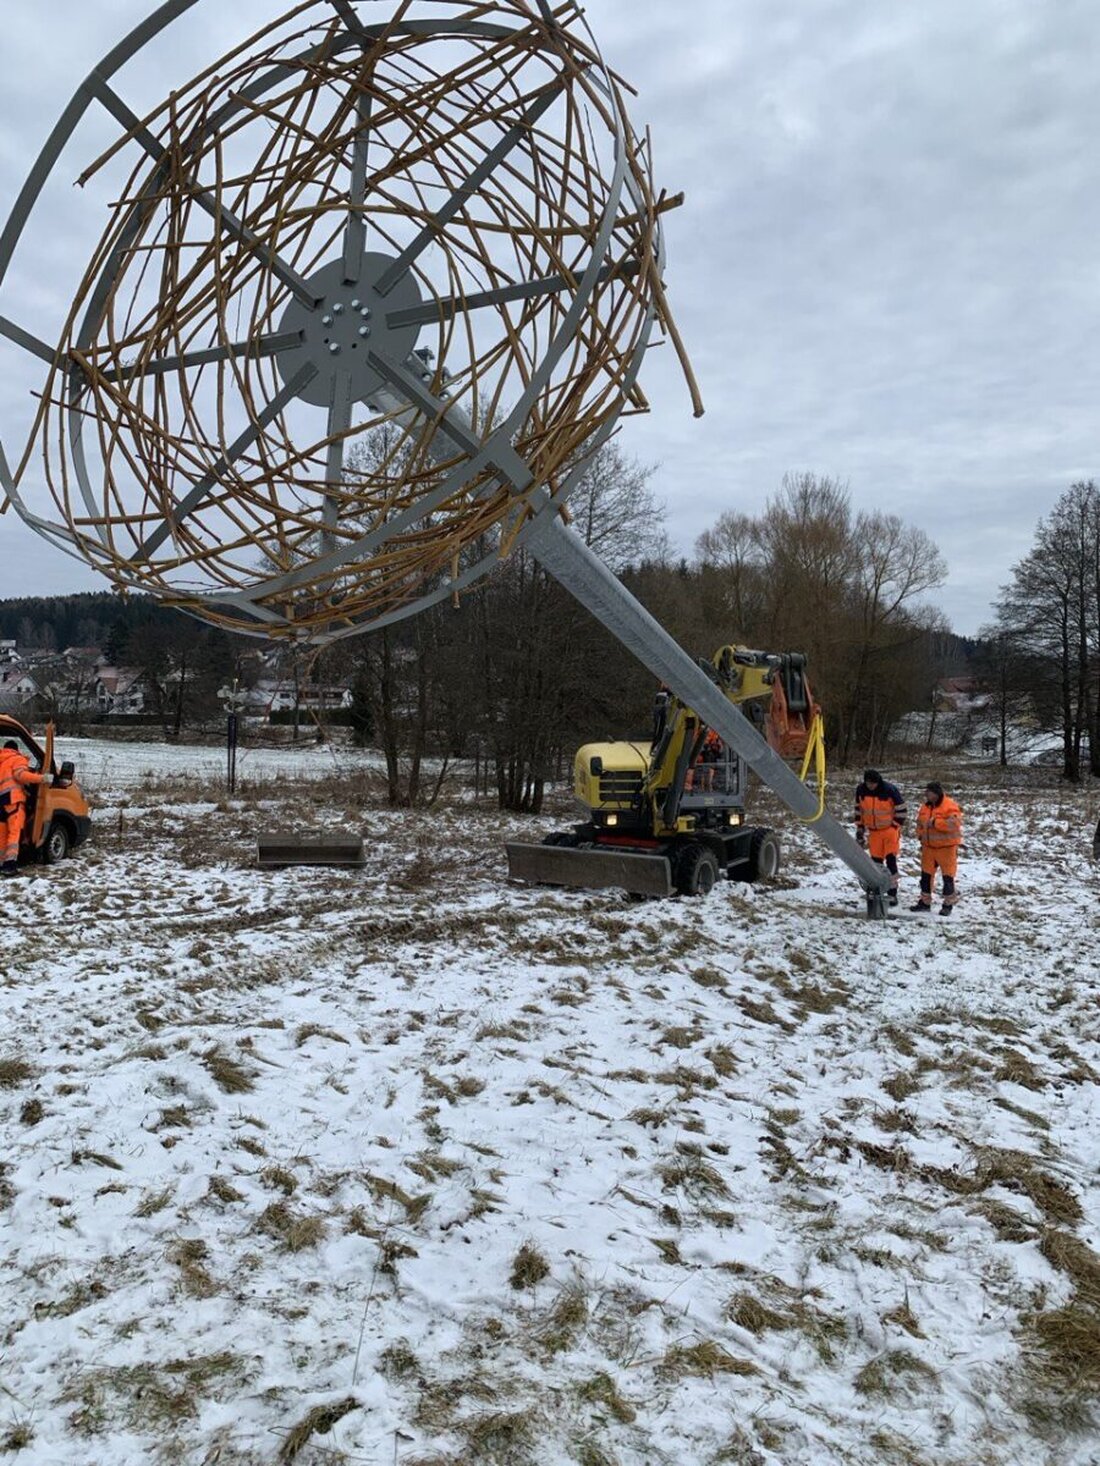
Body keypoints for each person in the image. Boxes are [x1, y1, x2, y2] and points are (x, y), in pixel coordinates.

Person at [853, 768, 907, 907]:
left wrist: (895, 825)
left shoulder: (889, 790)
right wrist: (860, 828)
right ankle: (877, 889)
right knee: (875, 863)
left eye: (873, 783)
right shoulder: (861, 790)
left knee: (890, 862)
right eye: (869, 783)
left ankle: (892, 893)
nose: (871, 786)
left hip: (889, 830)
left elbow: (902, 809)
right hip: (874, 832)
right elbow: (859, 810)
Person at [912, 781, 963, 915]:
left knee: (948, 878)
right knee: (925, 877)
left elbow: (955, 824)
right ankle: (925, 902)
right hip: (928, 848)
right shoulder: (925, 807)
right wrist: (920, 836)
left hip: (946, 848)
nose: (926, 795)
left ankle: (948, 905)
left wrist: (936, 823)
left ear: (936, 793)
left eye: (929, 793)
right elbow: (919, 823)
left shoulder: (949, 805)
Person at [0, 739, 44, 877]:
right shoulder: (17, 758)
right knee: (14, 832)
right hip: (14, 800)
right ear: (16, 749)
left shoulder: (1, 760)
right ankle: (9, 865)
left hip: (1, 802)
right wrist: (42, 778)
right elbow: (21, 776)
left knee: (2, 834)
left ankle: (1, 862)